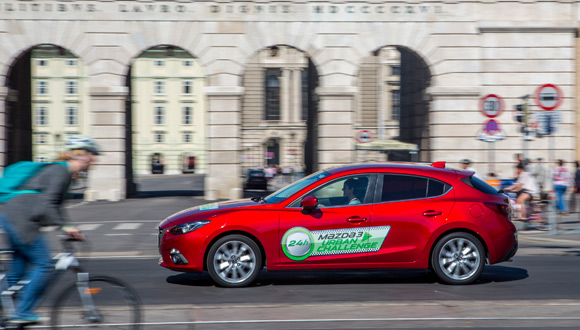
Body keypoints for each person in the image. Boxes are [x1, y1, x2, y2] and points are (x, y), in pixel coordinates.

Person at [0, 136, 100, 324]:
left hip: (14, 217)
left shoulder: (64, 173)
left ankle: (7, 311)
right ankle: (22, 312)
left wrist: (68, 227)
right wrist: (66, 227)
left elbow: (54, 206)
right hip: (22, 220)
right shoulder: (60, 171)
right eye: (92, 156)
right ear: (82, 156)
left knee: (18, 271)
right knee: (44, 263)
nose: (94, 161)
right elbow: (47, 204)